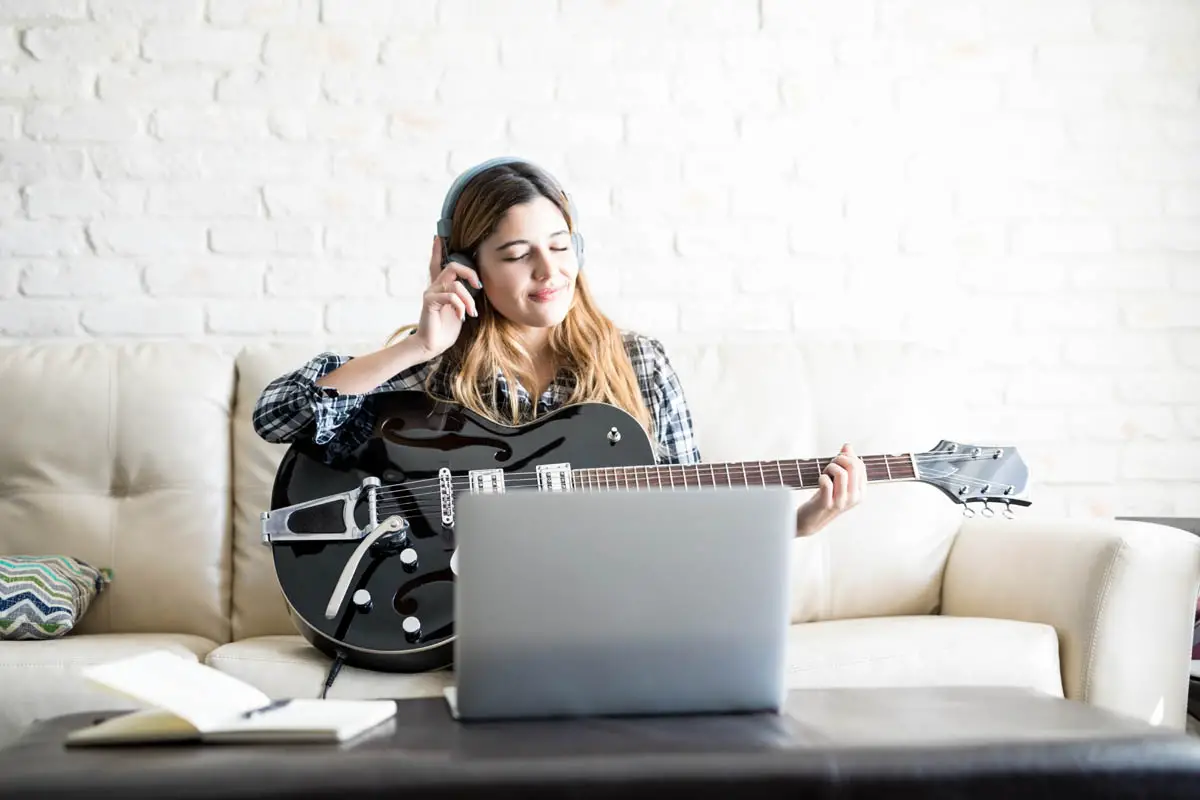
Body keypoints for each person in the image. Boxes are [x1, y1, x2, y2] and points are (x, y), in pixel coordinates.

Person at [252, 157, 865, 538]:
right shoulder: (434, 368)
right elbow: (279, 415)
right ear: (465, 267)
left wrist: (801, 524)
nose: (549, 271)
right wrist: (415, 345)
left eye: (560, 245)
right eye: (518, 255)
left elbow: (689, 517)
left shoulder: (640, 363)